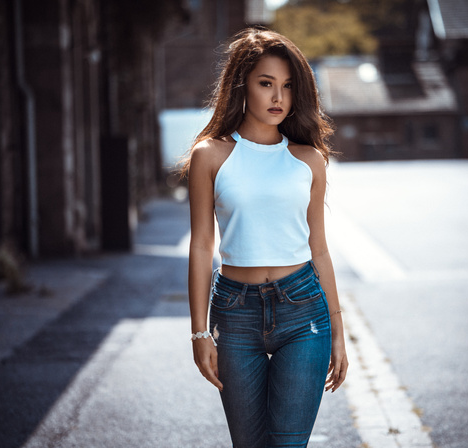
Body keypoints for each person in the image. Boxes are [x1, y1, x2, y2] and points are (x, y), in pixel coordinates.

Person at [180, 27, 348, 448]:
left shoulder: (309, 159)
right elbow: (201, 245)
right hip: (234, 314)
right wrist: (199, 333)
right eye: (266, 84)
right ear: (242, 85)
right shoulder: (211, 155)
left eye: (288, 87)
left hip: (303, 312)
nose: (278, 97)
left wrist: (339, 333)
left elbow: (320, 250)